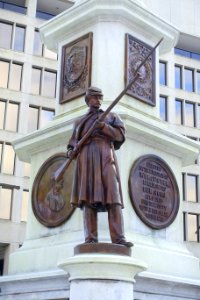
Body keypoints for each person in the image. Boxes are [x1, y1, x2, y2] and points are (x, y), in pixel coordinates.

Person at [67, 87, 133, 247]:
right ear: (88, 100)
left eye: (100, 97)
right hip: (86, 157)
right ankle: (90, 239)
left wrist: (104, 127)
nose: (98, 100)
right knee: (87, 198)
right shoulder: (79, 122)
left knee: (113, 195)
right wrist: (71, 151)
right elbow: (71, 144)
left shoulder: (111, 116)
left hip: (105, 155)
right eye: (95, 97)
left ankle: (119, 238)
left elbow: (120, 136)